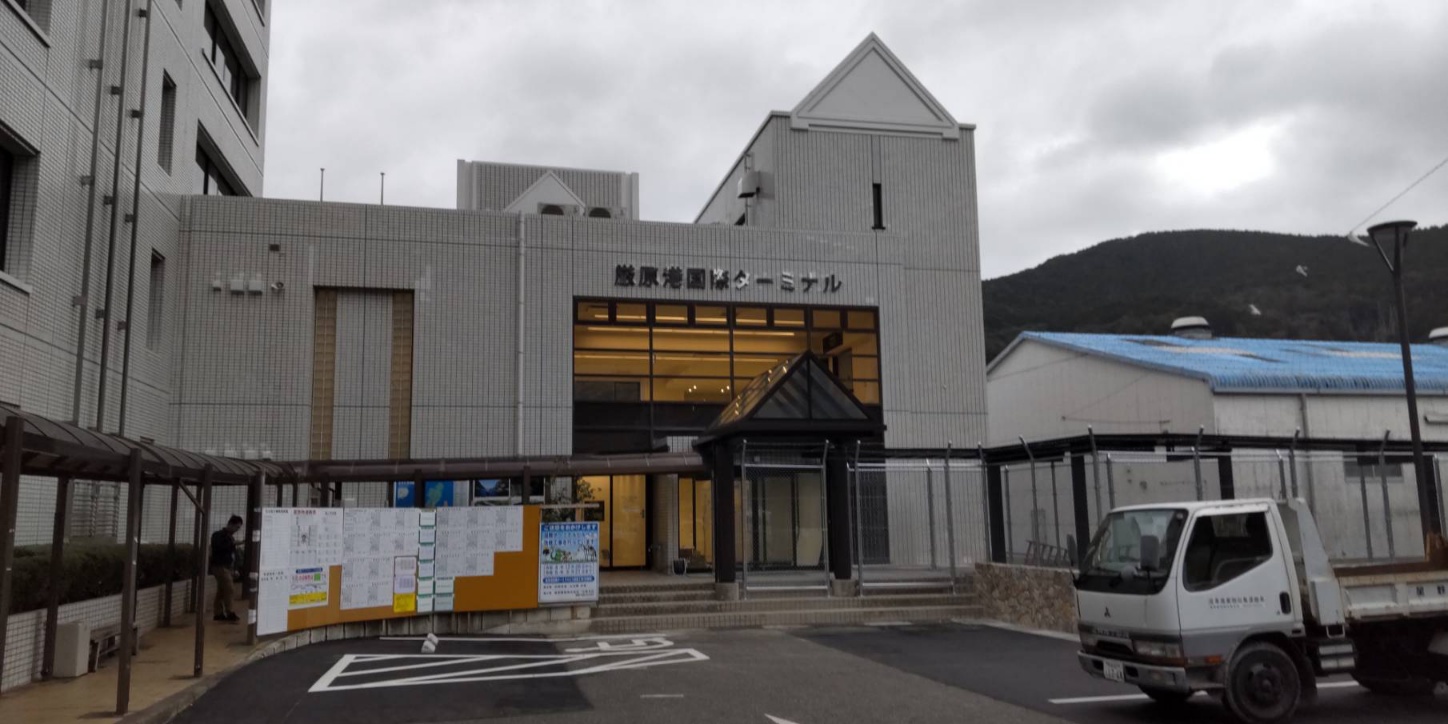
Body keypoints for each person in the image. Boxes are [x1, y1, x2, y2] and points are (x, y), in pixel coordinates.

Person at [210, 516, 244, 622]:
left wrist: (234, 569)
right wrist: (233, 544)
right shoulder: (218, 535)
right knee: (229, 588)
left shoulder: (230, 538)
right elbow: (219, 547)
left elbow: (233, 555)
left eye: (238, 528)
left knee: (221, 590)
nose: (237, 530)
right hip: (219, 566)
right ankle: (230, 612)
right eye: (236, 527)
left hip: (227, 567)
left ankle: (218, 613)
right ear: (230, 524)